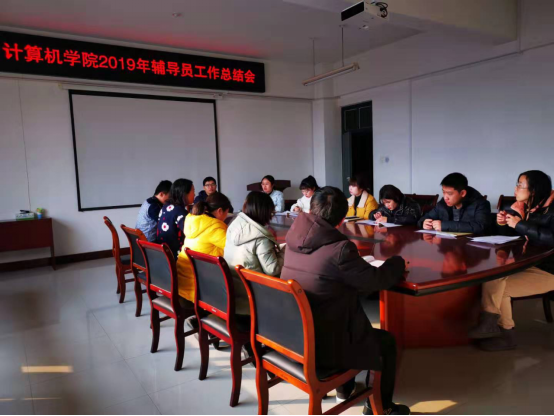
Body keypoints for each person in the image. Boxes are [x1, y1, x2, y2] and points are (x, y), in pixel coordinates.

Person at [281, 186, 410, 416]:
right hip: (322, 347)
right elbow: (375, 280)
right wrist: (397, 262)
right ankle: (382, 408)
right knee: (386, 342)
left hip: (291, 337)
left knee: (334, 309)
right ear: (342, 219)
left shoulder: (293, 239)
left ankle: (345, 388)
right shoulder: (340, 249)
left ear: (311, 209)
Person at [469, 170, 554, 352]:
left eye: (520, 185)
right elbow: (513, 237)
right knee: (493, 276)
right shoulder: (525, 207)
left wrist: (519, 224)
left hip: (550, 270)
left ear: (534, 190)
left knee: (499, 289)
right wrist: (503, 223)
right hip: (531, 263)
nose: (515, 189)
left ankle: (502, 332)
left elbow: (550, 238)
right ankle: (493, 327)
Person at [225, 192, 285, 314]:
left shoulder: (233, 225)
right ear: (265, 212)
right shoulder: (261, 237)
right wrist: (284, 253)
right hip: (254, 298)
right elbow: (273, 269)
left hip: (232, 292)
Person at [177, 192, 232, 304]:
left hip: (182, 285)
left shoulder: (194, 222)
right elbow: (233, 249)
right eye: (227, 213)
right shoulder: (214, 228)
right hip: (199, 292)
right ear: (220, 211)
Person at [417, 173, 491, 234]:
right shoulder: (443, 203)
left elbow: (480, 227)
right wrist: (424, 222)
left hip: (468, 245)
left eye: (449, 194)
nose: (445, 197)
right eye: (443, 192)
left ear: (462, 193)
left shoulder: (481, 204)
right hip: (447, 244)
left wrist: (444, 225)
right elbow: (426, 217)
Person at [157, 179, 195, 259]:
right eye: (193, 191)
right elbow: (192, 235)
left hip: (162, 255)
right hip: (175, 256)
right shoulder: (181, 213)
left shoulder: (165, 207)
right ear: (184, 194)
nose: (194, 194)